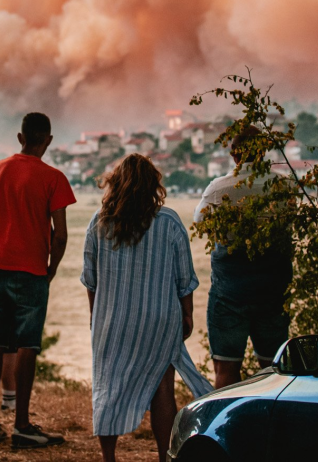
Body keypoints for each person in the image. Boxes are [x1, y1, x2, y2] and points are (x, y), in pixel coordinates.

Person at [81, 154, 212, 462]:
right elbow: (185, 279)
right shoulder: (169, 221)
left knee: (107, 387)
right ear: (153, 185)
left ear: (115, 184)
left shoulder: (99, 222)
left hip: (112, 321)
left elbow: (91, 280)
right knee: (163, 388)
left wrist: (95, 318)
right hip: (159, 320)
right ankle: (164, 458)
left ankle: (109, 457)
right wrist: (187, 315)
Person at [0, 112, 75, 449]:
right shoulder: (54, 177)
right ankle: (21, 423)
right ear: (47, 140)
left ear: (21, 138)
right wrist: (53, 268)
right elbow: (60, 235)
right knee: (27, 345)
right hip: (32, 271)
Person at [193, 126, 292, 388]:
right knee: (275, 371)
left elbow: (200, 223)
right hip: (273, 292)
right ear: (263, 153)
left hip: (229, 294)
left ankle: (226, 425)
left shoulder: (218, 188)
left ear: (234, 156)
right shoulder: (283, 187)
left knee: (226, 371)